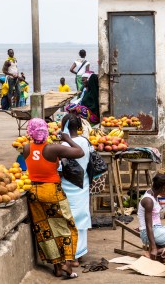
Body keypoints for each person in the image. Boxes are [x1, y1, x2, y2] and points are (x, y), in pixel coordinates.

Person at [23, 118, 84, 278]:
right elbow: (80, 152)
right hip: (52, 192)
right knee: (67, 227)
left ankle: (57, 268)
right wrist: (67, 139)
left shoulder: (25, 148)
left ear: (29, 132)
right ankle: (67, 263)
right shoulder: (52, 149)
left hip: (34, 193)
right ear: (46, 132)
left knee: (46, 231)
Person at [59, 114, 91, 266]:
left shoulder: (65, 146)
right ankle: (81, 252)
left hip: (67, 186)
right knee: (81, 218)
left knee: (69, 220)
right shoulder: (85, 141)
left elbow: (60, 168)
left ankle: (73, 256)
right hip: (83, 184)